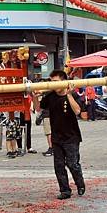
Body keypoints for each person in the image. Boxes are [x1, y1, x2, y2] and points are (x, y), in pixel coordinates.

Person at [39, 70, 85, 200]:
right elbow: (39, 108)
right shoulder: (50, 95)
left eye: (55, 82)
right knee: (58, 165)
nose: (53, 85)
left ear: (63, 81)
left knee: (72, 164)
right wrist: (34, 96)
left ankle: (80, 183)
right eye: (51, 82)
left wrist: (69, 94)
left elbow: (77, 111)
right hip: (56, 137)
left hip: (71, 137)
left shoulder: (72, 94)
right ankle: (65, 190)